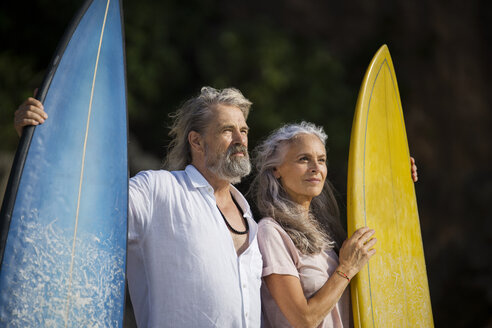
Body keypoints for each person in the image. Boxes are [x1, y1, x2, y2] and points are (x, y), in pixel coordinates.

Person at [14, 87, 262, 327]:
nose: (241, 140)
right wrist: (43, 144)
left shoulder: (250, 216)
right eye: (227, 130)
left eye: (244, 130)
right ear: (196, 142)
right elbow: (86, 204)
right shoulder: (158, 190)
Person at [250, 122, 418, 328]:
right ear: (276, 169)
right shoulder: (271, 232)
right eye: (304, 159)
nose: (316, 168)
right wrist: (346, 268)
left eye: (321, 160)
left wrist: (397, 182)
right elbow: (304, 319)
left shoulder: (326, 229)